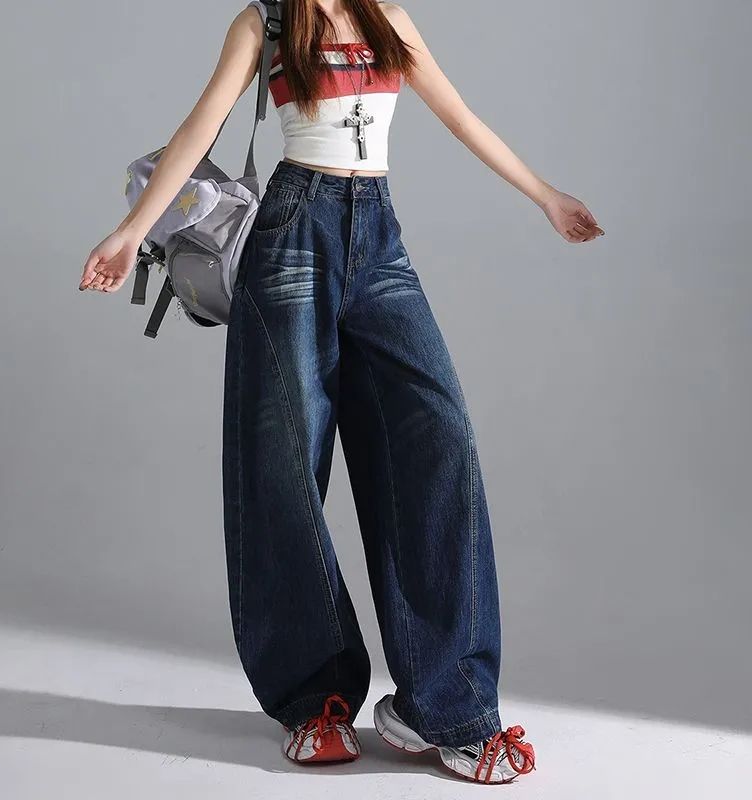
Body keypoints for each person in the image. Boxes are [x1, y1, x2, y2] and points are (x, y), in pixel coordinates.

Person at [78, 0, 603, 785]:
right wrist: (130, 232)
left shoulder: (388, 16)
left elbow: (460, 117)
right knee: (284, 464)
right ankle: (314, 698)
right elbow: (200, 129)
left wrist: (546, 195)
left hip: (379, 239)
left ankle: (445, 705)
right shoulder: (266, 22)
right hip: (293, 231)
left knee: (440, 437)